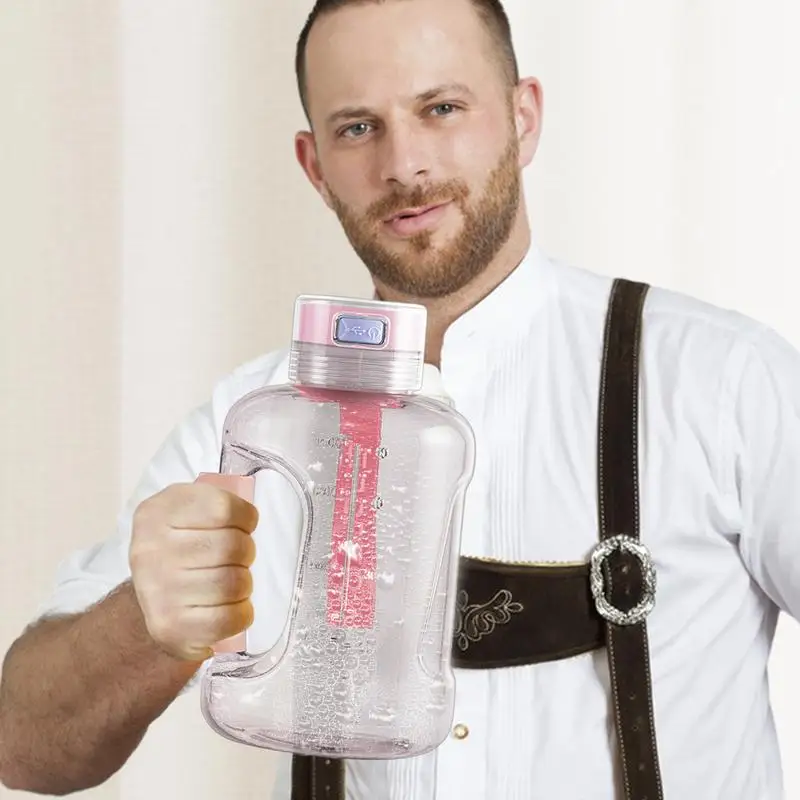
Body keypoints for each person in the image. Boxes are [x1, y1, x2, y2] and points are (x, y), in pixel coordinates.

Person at [1, 0, 799, 797]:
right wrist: (144, 624)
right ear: (315, 168)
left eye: (441, 108)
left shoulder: (720, 381)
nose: (404, 164)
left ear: (523, 118)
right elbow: (25, 748)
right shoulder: (248, 427)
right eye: (358, 128)